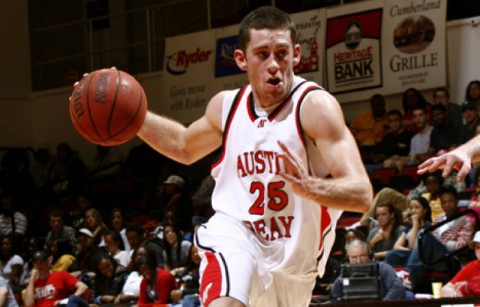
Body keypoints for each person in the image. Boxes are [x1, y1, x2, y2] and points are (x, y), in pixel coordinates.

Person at [117, 6, 373, 307]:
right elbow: (183, 145)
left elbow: (362, 194)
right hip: (236, 237)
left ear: (297, 55)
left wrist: (312, 188)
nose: (273, 64)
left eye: (281, 53)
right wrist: (130, 116)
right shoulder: (225, 107)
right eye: (262, 54)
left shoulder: (314, 107)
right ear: (241, 59)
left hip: (294, 264)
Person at [405, 185, 475, 289]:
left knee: (425, 235)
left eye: (450, 201)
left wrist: (440, 243)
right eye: (444, 202)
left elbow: (461, 246)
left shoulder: (466, 220)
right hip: (434, 256)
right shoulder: (439, 219)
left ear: (456, 201)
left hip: (451, 259)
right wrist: (437, 242)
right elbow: (432, 240)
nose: (447, 205)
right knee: (395, 254)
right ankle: (398, 277)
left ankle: (410, 275)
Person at [330, 239, 405, 301]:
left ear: (369, 255)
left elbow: (397, 288)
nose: (358, 261)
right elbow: (335, 295)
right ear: (348, 259)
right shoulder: (344, 274)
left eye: (362, 256)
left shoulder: (383, 268)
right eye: (354, 258)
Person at [24, 250, 89, 307]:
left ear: (47, 262)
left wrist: (68, 300)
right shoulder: (32, 283)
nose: (39, 265)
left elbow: (83, 287)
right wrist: (32, 277)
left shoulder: (60, 275)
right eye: (36, 263)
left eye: (42, 262)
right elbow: (28, 304)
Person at [385, 196, 432, 267]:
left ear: (425, 210)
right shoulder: (409, 228)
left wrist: (415, 224)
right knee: (391, 255)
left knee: (391, 255)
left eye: (417, 207)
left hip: (420, 258)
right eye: (411, 208)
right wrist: (408, 250)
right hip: (407, 254)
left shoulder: (429, 227)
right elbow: (396, 246)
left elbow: (412, 246)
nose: (413, 211)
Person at [383, 106, 433, 171]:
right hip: (416, 166)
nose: (418, 119)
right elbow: (411, 157)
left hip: (431, 164)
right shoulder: (414, 138)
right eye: (415, 116)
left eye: (420, 115)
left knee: (400, 163)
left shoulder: (434, 132)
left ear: (427, 116)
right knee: (388, 162)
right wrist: (399, 157)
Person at [441, 230, 480, 297]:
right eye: (478, 247)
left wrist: (469, 285)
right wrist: (453, 292)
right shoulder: (472, 266)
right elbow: (444, 290)